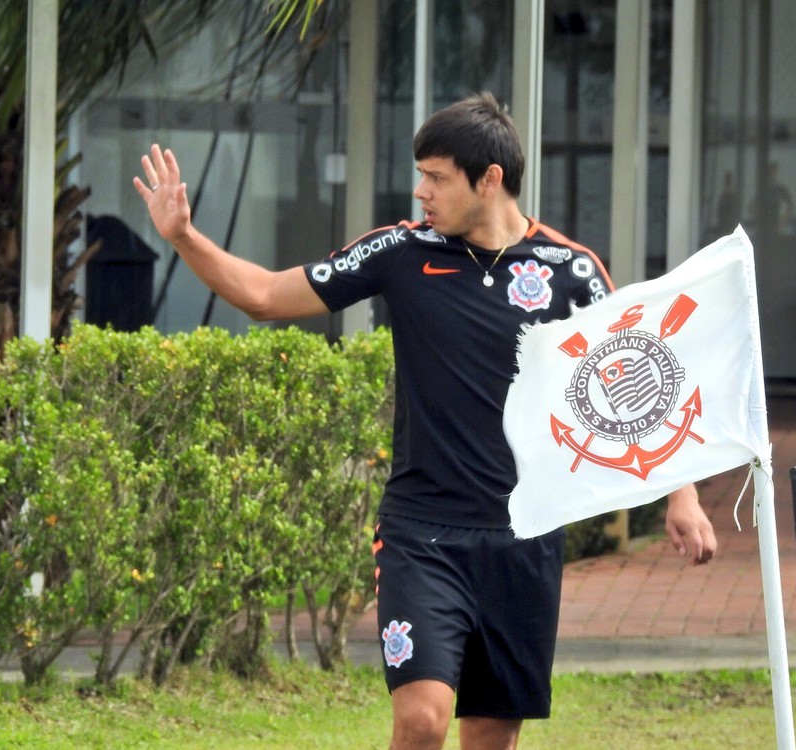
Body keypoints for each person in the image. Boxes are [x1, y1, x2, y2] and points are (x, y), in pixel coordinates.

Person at [134, 92, 716, 750]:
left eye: (436, 177)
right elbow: (266, 295)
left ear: (488, 179)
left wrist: (683, 493)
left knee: (489, 736)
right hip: (422, 534)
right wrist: (182, 234)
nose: (420, 192)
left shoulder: (571, 271)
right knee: (422, 719)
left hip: (524, 539)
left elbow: (639, 384)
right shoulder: (400, 254)